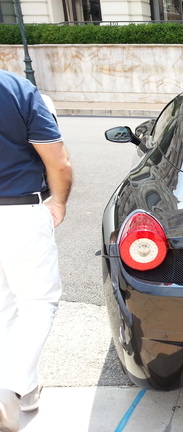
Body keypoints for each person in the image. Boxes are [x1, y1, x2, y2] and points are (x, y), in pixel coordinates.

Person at [0, 70, 72, 432]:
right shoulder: (16, 88)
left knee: (3, 307)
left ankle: (24, 391)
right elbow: (57, 161)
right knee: (39, 302)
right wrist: (58, 202)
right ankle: (10, 387)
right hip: (18, 210)